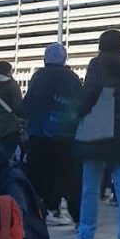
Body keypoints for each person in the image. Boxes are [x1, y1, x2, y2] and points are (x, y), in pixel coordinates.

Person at [75, 30, 120, 239]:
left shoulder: (97, 63)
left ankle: (86, 232)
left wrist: (80, 111)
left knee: (91, 186)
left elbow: (91, 91)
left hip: (98, 128)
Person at [24, 43, 83, 227]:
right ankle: (56, 208)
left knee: (37, 172)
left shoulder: (39, 76)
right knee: (63, 174)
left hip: (39, 133)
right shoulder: (72, 78)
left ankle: (36, 209)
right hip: (66, 135)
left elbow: (28, 104)